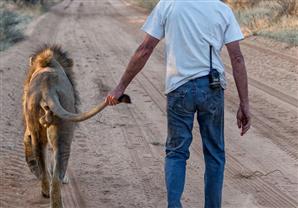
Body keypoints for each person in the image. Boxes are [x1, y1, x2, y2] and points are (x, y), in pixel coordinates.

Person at [106, 0, 251, 207]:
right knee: (215, 154)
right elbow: (237, 58)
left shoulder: (168, 5)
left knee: (176, 152)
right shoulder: (222, 9)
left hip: (179, 88)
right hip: (212, 88)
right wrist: (244, 103)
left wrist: (121, 86)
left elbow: (145, 49)